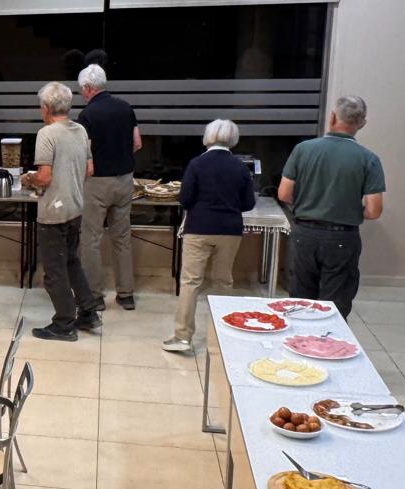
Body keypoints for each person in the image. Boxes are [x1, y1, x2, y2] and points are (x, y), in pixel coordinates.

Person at [278, 95, 385, 317]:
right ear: (362, 123)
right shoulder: (369, 159)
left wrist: (308, 204)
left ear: (333, 117)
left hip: (304, 234)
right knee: (334, 306)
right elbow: (374, 211)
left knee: (299, 302)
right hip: (342, 238)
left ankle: (299, 337)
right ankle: (329, 338)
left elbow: (284, 193)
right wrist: (347, 210)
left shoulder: (303, 149)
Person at [165, 119, 258, 353]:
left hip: (199, 228)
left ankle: (182, 337)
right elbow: (248, 203)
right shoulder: (240, 168)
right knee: (223, 281)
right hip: (230, 230)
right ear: (233, 139)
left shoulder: (197, 164)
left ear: (207, 137)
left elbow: (185, 199)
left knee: (190, 282)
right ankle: (222, 336)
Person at [21, 81, 99, 341]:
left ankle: (64, 323)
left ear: (45, 107)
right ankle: (88, 311)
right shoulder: (80, 130)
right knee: (71, 261)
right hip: (75, 206)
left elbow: (44, 177)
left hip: (53, 212)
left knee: (54, 270)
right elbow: (89, 169)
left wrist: (28, 178)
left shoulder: (47, 134)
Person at [76, 63, 142, 311]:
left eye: (81, 89)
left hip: (97, 183)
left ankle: (94, 296)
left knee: (90, 239)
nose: (82, 94)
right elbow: (137, 143)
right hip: (124, 180)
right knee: (122, 237)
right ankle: (126, 294)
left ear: (88, 87)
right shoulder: (126, 108)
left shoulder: (87, 115)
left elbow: (85, 154)